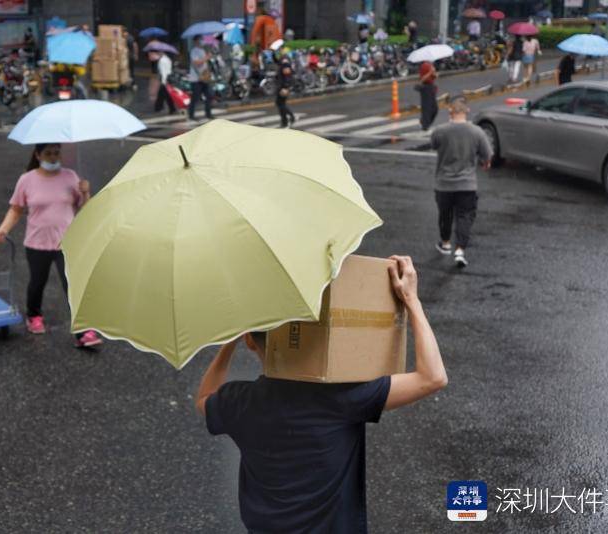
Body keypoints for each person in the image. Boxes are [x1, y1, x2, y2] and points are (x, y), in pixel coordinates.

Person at [196, 255, 447, 533]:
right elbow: (432, 377)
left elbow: (205, 396)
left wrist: (230, 338)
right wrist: (412, 300)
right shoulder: (341, 397)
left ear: (249, 341)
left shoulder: (240, 402)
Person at [0, 143, 103, 348]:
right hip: (37, 242)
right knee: (37, 282)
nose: (53, 157)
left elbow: (85, 209)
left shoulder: (71, 176)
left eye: (56, 153)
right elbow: (15, 210)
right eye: (48, 153)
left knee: (73, 286)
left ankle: (83, 331)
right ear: (38, 155)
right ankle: (34, 316)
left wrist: (86, 193)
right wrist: (3, 229)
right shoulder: (27, 180)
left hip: (68, 243)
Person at [430, 99, 492, 268]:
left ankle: (445, 243)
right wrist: (484, 163)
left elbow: (434, 145)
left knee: (445, 215)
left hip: (443, 184)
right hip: (467, 185)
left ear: (451, 112)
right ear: (467, 111)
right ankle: (460, 250)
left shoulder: (440, 131)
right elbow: (487, 157)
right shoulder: (477, 132)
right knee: (464, 216)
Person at [188, 35, 214, 122]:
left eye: (202, 39)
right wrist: (207, 57)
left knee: (209, 95)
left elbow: (204, 63)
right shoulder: (194, 51)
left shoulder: (203, 50)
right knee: (195, 98)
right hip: (196, 78)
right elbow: (197, 63)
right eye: (200, 40)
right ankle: (191, 115)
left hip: (204, 78)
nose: (202, 41)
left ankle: (208, 114)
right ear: (196, 41)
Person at [417, 60, 438, 131]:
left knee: (434, 108)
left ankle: (424, 122)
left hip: (431, 87)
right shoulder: (424, 66)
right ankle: (425, 125)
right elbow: (421, 79)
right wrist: (430, 72)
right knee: (427, 108)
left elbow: (435, 76)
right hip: (426, 88)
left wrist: (434, 73)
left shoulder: (430, 65)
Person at [276, 59, 295, 128]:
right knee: (280, 104)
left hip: (283, 88)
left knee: (281, 104)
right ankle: (284, 121)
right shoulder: (282, 64)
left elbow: (287, 74)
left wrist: (286, 88)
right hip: (281, 87)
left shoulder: (285, 64)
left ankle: (290, 116)